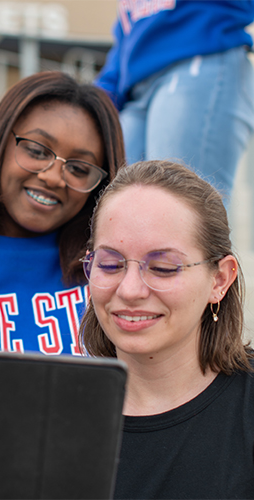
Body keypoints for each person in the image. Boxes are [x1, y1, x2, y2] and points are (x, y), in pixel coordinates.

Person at [80, 160, 254, 499]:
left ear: (220, 279)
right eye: (110, 264)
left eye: (162, 268)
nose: (130, 290)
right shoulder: (48, 415)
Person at [0, 71, 125, 356]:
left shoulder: (113, 268)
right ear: (0, 143)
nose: (53, 178)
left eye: (79, 169)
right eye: (38, 151)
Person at [95, 0, 254, 201]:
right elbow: (127, 37)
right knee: (116, 200)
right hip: (136, 87)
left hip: (201, 57)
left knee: (180, 206)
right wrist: (99, 98)